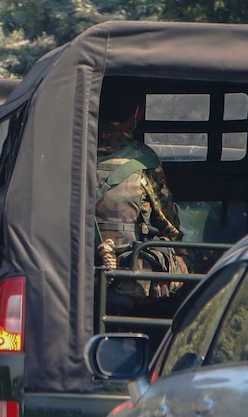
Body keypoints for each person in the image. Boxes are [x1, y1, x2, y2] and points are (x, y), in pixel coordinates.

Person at [95, 86, 187, 308]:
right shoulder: (144, 160)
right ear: (137, 113)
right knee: (193, 256)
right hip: (130, 275)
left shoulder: (70, 154)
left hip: (78, 269)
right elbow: (170, 227)